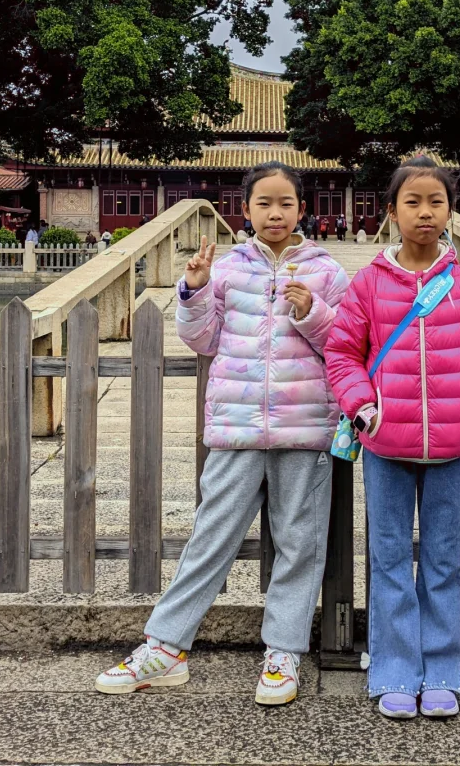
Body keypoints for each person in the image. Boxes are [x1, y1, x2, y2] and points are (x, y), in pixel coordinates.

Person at [96, 162, 349, 706]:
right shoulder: (229, 268)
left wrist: (313, 313)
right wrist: (193, 290)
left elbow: (346, 346)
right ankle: (165, 647)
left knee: (299, 544)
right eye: (264, 203)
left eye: (286, 203)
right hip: (236, 427)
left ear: (302, 209)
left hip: (305, 428)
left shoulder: (327, 271)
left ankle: (283, 653)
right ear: (246, 209)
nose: (275, 213)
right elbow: (203, 340)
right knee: (211, 537)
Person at [325, 157, 460, 720]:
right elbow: (342, 352)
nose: (425, 212)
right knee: (388, 559)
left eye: (436, 202)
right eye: (413, 202)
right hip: (385, 446)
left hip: (452, 445)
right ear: (392, 211)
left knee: (443, 561)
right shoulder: (369, 284)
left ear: (451, 211)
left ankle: (444, 668)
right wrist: (364, 409)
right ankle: (394, 668)